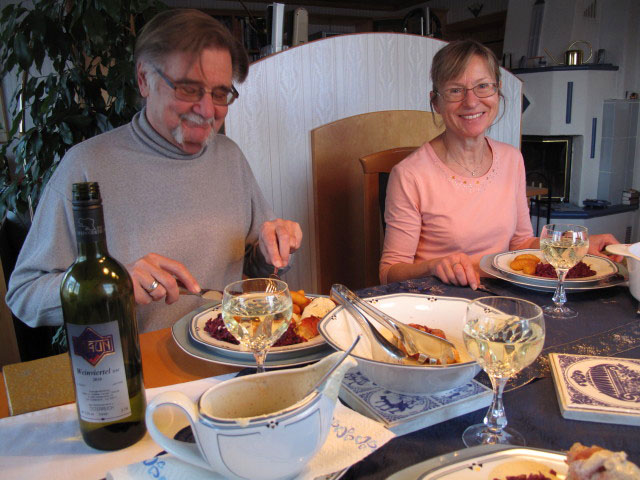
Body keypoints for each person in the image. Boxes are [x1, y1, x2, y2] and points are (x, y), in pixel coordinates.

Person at [6, 9, 302, 333]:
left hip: (227, 358)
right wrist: (112, 284)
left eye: (220, 94)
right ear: (144, 79)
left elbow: (252, 270)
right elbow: (25, 295)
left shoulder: (229, 156)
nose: (207, 111)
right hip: (134, 372)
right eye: (188, 89)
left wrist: (271, 249)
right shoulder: (85, 167)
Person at [379, 39, 619, 289]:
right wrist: (433, 266)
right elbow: (388, 273)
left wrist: (575, 244)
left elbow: (520, 244)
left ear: (497, 91)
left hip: (503, 295)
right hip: (439, 300)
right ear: (436, 102)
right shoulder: (409, 174)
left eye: (483, 86)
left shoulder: (512, 159)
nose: (471, 102)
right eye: (455, 90)